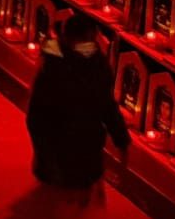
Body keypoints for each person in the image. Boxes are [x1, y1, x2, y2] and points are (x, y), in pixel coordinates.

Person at [26, 13, 131, 195]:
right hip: (60, 149)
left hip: (83, 150)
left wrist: (121, 139)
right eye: (85, 41)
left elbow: (106, 105)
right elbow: (36, 116)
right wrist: (44, 154)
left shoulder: (94, 64)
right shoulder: (53, 66)